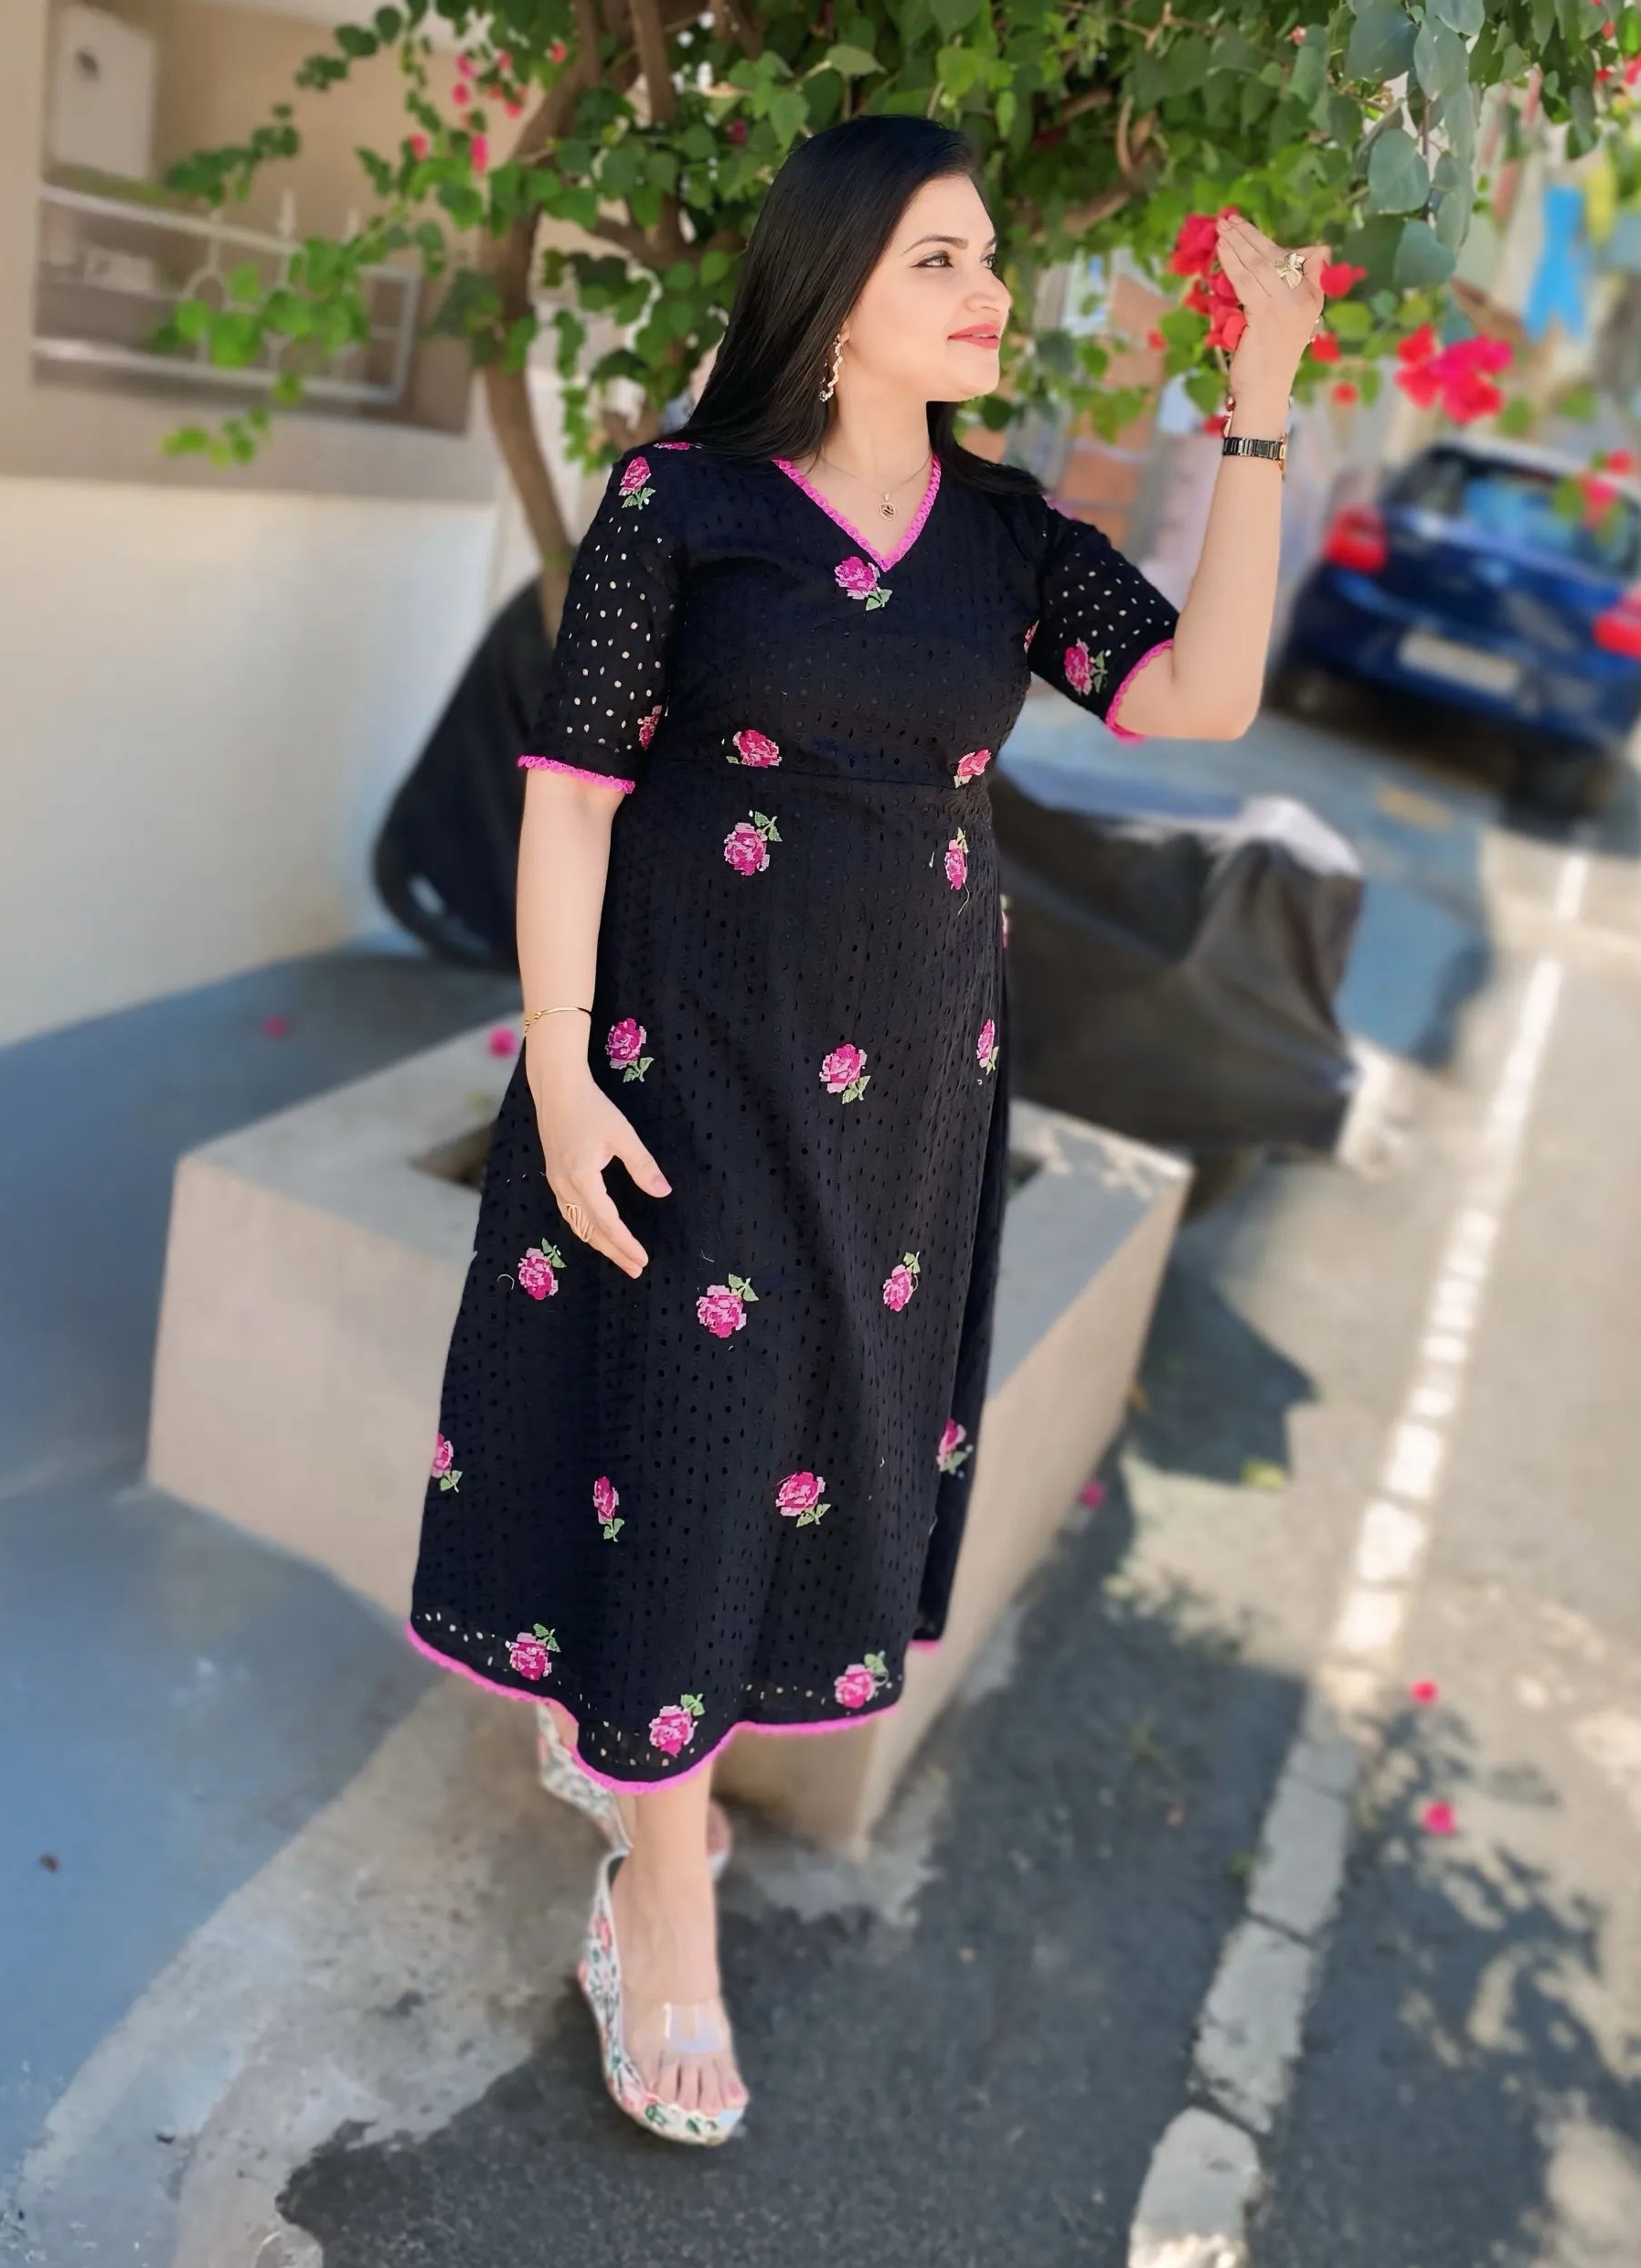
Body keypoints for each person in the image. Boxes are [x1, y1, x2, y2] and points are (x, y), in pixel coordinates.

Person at [405, 113, 1328, 2146]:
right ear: (832, 296)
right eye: (940, 257)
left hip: (906, 1083)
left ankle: (641, 1764)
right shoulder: (684, 503)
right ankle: (661, 1895)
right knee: (686, 1429)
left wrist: (1256, 405)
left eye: (988, 254)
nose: (990, 288)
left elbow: (1200, 697)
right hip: (683, 1053)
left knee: (800, 1441)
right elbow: (570, 794)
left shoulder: (1006, 538)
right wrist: (557, 1065)